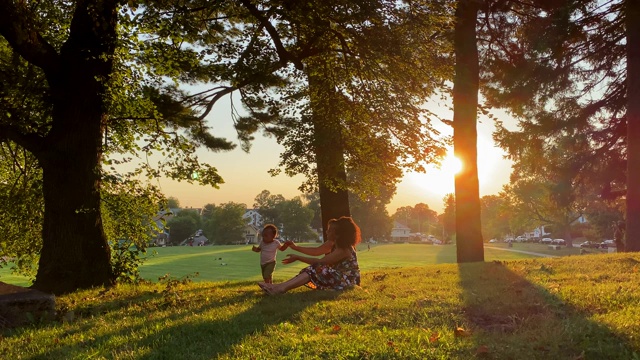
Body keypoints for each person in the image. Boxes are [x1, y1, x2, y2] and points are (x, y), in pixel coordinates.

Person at [258, 216, 361, 295]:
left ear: (337, 233)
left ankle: (280, 288)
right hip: (339, 278)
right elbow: (316, 251)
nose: (326, 232)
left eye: (329, 230)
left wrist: (298, 257)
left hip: (348, 281)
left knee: (316, 268)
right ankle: (278, 287)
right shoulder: (333, 244)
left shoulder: (344, 250)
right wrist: (295, 247)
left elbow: (321, 261)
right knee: (315, 268)